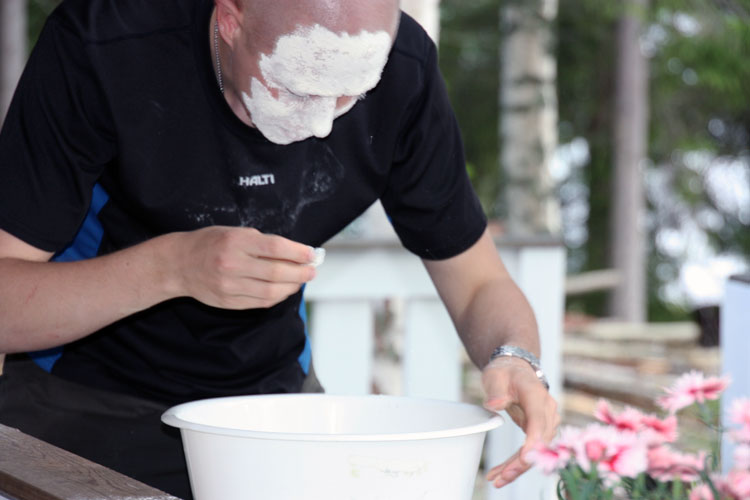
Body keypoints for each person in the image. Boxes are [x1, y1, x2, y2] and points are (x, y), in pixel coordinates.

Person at [0, 0, 559, 497]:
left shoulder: (402, 68)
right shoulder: (106, 41)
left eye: (352, 94)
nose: (322, 125)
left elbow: (479, 281)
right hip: (79, 394)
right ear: (229, 20)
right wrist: (173, 267)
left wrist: (515, 358)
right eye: (297, 88)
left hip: (275, 406)